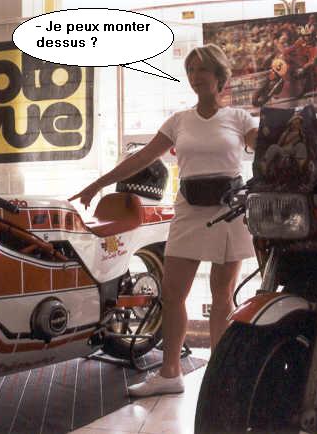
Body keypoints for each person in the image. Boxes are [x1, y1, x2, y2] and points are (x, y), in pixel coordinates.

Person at [69, 43, 258, 397]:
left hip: (229, 210)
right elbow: (141, 158)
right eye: (191, 70)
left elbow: (267, 149)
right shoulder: (179, 120)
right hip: (188, 209)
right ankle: (170, 373)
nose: (196, 76)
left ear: (220, 76)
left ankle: (219, 378)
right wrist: (97, 184)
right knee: (172, 294)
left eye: (203, 69)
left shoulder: (239, 118)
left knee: (222, 297)